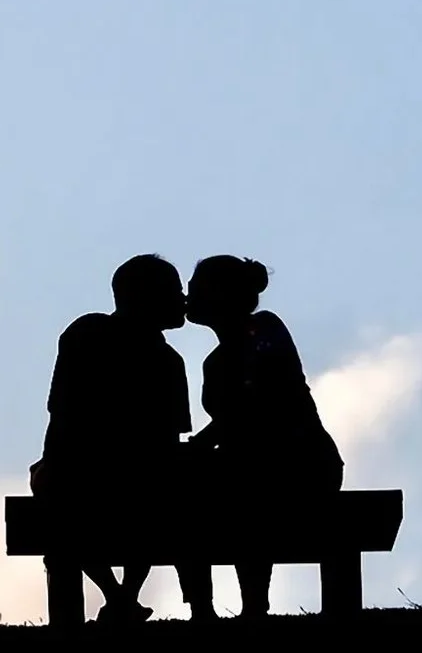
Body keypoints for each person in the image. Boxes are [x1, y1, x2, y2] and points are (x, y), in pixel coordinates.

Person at [31, 254, 204, 622]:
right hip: (128, 483)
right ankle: (124, 597)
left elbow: (61, 415)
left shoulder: (85, 333)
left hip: (86, 478)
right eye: (175, 292)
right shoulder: (167, 360)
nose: (184, 299)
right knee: (155, 492)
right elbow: (165, 443)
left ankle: (119, 598)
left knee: (75, 501)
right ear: (147, 297)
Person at [185, 255, 342, 618]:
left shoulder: (265, 328)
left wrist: (201, 445)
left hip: (301, 462)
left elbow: (256, 403)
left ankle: (249, 605)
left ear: (220, 294)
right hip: (248, 465)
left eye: (195, 289)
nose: (187, 297)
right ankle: (206, 607)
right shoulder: (214, 361)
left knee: (242, 487)